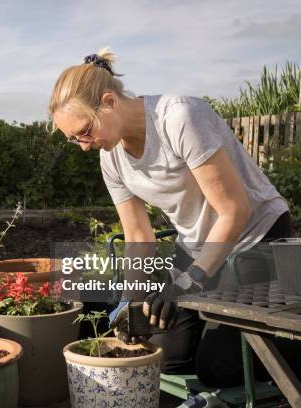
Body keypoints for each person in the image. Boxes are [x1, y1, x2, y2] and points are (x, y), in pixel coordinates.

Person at [48, 48, 298, 387]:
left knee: (219, 369)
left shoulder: (178, 118)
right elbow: (138, 236)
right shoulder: (112, 160)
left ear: (108, 101)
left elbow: (233, 209)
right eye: (74, 138)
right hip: (198, 243)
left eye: (85, 131)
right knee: (168, 356)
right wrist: (130, 301)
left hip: (255, 237)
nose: (83, 145)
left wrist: (188, 282)